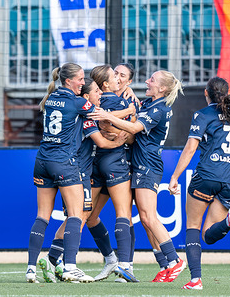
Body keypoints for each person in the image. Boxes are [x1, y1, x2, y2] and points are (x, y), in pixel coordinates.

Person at [88, 70, 186, 283]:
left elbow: (133, 127)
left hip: (147, 165)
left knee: (149, 216)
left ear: (162, 88)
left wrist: (108, 116)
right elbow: (132, 134)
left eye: (152, 80)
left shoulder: (159, 109)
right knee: (144, 217)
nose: (147, 81)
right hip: (138, 164)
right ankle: (164, 264)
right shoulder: (149, 104)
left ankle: (175, 260)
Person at [38, 78, 128, 283]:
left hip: (83, 171)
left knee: (85, 215)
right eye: (97, 91)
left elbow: (105, 120)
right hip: (77, 172)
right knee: (79, 216)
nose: (100, 95)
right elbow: (102, 140)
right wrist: (119, 138)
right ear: (86, 97)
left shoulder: (81, 111)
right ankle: (59, 261)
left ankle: (60, 260)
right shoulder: (86, 117)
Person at [168, 76, 230, 290]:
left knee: (193, 228)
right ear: (225, 93)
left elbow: (190, 148)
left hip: (206, 177)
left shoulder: (202, 114)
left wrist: (174, 176)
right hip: (229, 183)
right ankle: (227, 223)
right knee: (209, 235)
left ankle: (196, 280)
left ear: (206, 93)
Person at [27, 63, 97, 283]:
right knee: (76, 214)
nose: (83, 83)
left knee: (42, 216)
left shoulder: (50, 98)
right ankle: (70, 266)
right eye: (80, 79)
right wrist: (130, 111)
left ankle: (30, 268)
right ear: (68, 81)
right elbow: (100, 115)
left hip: (42, 160)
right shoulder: (77, 102)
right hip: (63, 162)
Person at [87, 64, 138, 282]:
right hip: (116, 161)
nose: (118, 78)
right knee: (124, 215)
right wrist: (130, 116)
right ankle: (125, 266)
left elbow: (103, 120)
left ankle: (111, 259)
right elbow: (130, 132)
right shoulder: (119, 102)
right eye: (114, 75)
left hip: (96, 161)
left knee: (89, 216)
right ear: (106, 83)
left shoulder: (93, 101)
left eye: (121, 75)